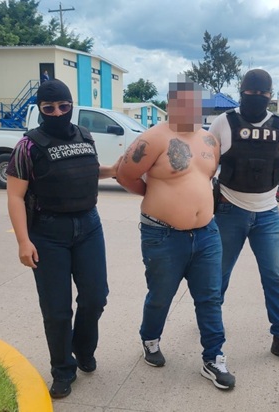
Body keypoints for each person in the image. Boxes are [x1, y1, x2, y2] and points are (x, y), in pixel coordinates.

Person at [116, 78, 236, 390]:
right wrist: (156, 196)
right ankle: (150, 339)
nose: (191, 109)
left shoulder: (210, 140)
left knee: (210, 298)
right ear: (170, 105)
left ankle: (214, 358)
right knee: (161, 296)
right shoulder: (152, 139)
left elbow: (206, 178)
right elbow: (124, 175)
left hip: (207, 233)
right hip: (162, 235)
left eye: (196, 103)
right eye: (184, 103)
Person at [6, 79, 119, 399]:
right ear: (40, 109)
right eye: (49, 108)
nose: (57, 112)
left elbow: (90, 170)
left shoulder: (85, 135)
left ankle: (82, 349)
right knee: (57, 310)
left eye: (63, 106)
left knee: (96, 297)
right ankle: (62, 369)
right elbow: (15, 196)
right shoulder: (28, 146)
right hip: (48, 234)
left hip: (89, 226)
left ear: (71, 105)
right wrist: (23, 241)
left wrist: (113, 170)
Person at [209, 69, 279, 364]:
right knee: (218, 276)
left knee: (275, 277)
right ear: (241, 92)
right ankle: (210, 324)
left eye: (262, 93)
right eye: (251, 92)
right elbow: (205, 167)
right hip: (229, 210)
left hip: (267, 213)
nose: (256, 97)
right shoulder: (223, 123)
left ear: (270, 95)